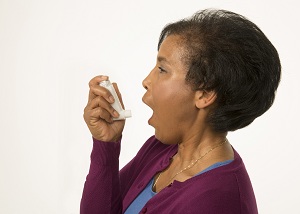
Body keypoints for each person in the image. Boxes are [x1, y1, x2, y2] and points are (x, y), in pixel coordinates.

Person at [80, 9, 281, 214]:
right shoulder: (161, 148)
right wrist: (106, 144)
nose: (146, 81)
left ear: (204, 94)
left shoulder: (218, 200)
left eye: (162, 69)